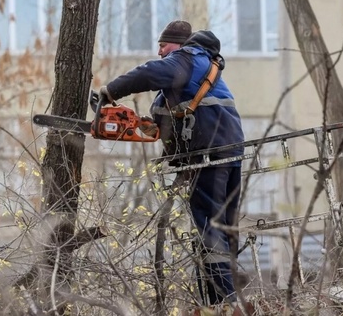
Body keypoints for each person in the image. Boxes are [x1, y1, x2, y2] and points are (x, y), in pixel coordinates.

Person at [99, 20, 245, 307]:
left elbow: (148, 73)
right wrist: (151, 126)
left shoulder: (185, 59)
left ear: (178, 45)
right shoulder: (201, 69)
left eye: (163, 45)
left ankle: (225, 305)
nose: (160, 51)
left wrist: (110, 91)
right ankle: (220, 300)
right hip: (230, 151)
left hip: (208, 155)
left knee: (210, 229)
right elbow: (178, 115)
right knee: (224, 228)